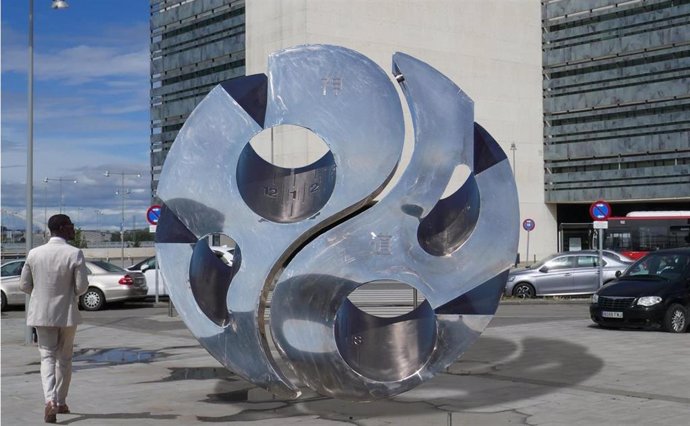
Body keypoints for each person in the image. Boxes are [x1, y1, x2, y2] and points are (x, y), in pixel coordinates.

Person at [20, 214, 89, 423]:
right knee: (64, 359)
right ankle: (60, 401)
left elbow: (24, 285)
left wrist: (41, 295)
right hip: (67, 314)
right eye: (71, 226)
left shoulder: (34, 253)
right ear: (61, 227)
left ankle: (49, 400)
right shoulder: (75, 253)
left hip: (41, 314)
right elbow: (81, 287)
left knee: (47, 357)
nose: (73, 229)